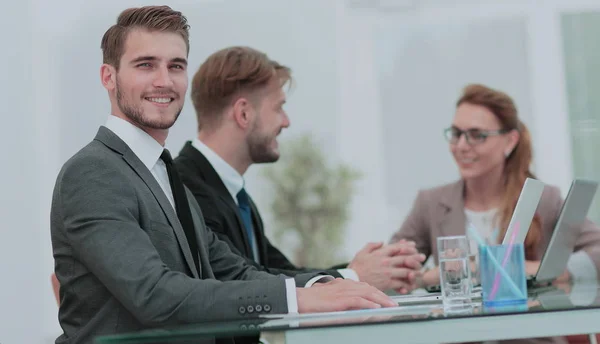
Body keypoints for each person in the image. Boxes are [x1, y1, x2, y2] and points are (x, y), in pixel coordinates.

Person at [50, 6, 397, 344]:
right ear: (108, 77)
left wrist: (331, 286)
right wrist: (299, 300)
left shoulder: (164, 174)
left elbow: (235, 270)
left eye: (176, 66)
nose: (164, 81)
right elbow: (156, 296)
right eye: (145, 65)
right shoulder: (92, 172)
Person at [173, 46, 425, 294]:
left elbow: (276, 271)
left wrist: (374, 270)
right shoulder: (184, 188)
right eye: (278, 107)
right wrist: (354, 276)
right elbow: (240, 280)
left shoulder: (233, 194)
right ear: (244, 113)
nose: (286, 121)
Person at [390, 84, 600, 342]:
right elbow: (392, 271)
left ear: (510, 141)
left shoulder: (544, 200)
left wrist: (540, 269)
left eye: (477, 135)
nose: (462, 146)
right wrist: (431, 276)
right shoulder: (431, 203)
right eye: (456, 134)